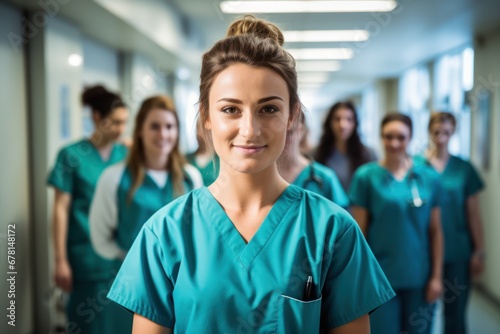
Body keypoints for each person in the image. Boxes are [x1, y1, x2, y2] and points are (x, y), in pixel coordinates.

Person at [107, 15, 395, 333]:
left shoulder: (333, 230)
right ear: (206, 116)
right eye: (231, 109)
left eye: (268, 109)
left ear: (292, 116)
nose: (250, 130)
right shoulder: (165, 233)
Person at [349, 113, 444, 334]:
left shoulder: (428, 177)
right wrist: (359, 278)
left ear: (410, 138)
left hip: (420, 276)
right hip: (380, 278)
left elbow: (436, 232)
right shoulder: (366, 177)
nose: (394, 143)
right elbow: (359, 235)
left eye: (401, 137)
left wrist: (437, 277)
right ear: (381, 137)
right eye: (388, 136)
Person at [47, 85, 129, 333]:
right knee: (87, 324)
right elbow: (60, 210)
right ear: (96, 118)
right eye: (115, 123)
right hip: (85, 258)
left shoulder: (126, 154)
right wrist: (60, 260)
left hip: (123, 258)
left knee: (122, 322)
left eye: (124, 123)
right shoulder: (71, 155)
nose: (120, 130)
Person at [90, 95, 203, 261]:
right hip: (133, 278)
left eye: (170, 126)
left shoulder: (190, 177)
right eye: (154, 127)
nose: (163, 134)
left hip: (181, 278)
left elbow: (197, 231)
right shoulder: (114, 178)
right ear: (140, 131)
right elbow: (101, 240)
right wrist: (135, 263)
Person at [416, 112, 485, 334]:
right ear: (429, 130)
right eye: (436, 129)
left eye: (446, 129)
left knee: (456, 314)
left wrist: (479, 251)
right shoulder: (417, 166)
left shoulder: (464, 169)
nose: (441, 134)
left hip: (457, 251)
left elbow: (473, 213)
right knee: (421, 312)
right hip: (423, 250)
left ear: (453, 131)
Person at [278, 111, 349, 208]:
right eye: (278, 132)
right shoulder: (260, 177)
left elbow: (340, 220)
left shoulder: (325, 178)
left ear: (301, 130)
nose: (283, 139)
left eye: (289, 132)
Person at [315, 101, 377, 193]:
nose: (342, 125)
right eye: (337, 119)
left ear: (355, 123)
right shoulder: (316, 154)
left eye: (349, 119)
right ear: (329, 123)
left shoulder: (368, 154)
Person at [186, 119, 220, 185]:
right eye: (197, 129)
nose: (199, 134)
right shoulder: (185, 159)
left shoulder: (220, 161)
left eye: (207, 131)